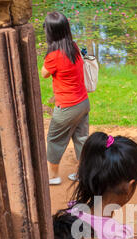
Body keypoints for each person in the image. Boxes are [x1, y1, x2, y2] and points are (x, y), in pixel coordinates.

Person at [41, 11, 89, 185]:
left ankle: (53, 177)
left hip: (67, 107)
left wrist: (50, 50)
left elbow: (44, 74)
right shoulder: (74, 47)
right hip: (83, 103)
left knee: (54, 139)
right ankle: (82, 174)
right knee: (81, 139)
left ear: (50, 32)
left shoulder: (53, 55)